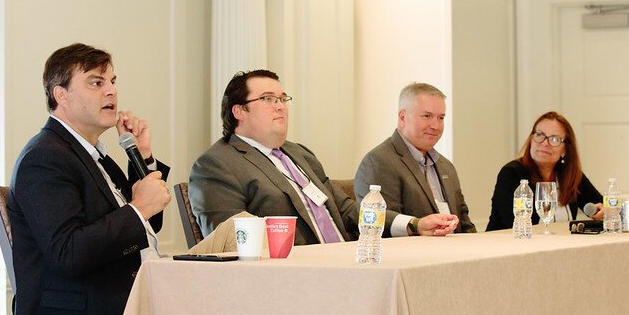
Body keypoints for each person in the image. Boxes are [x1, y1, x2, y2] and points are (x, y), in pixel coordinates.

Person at [6, 43, 171, 315]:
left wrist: (142, 157)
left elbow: (147, 227)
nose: (111, 90)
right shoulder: (46, 157)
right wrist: (137, 209)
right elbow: (69, 253)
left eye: (112, 81)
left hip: (119, 302)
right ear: (60, 95)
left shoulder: (91, 153)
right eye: (96, 83)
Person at [189, 70, 459, 245]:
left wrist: (412, 224)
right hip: (293, 279)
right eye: (268, 99)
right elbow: (230, 242)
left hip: (346, 262)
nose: (281, 106)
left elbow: (348, 210)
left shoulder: (299, 154)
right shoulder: (216, 164)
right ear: (239, 111)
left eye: (283, 98)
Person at [354, 83, 476, 234]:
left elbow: (464, 221)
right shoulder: (378, 162)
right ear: (403, 117)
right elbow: (382, 225)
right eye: (427, 116)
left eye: (441, 118)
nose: (435, 126)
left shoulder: (446, 166)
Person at [486, 110, 603, 231]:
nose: (544, 143)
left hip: (559, 246)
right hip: (510, 246)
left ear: (565, 150)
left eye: (554, 139)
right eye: (539, 135)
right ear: (531, 140)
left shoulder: (568, 174)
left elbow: (601, 205)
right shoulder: (512, 173)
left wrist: (601, 211)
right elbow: (514, 224)